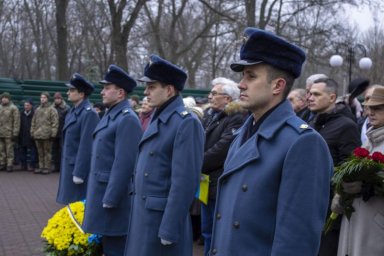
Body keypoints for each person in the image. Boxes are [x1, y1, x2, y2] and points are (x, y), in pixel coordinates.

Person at [209, 28, 333, 256]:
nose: (241, 84)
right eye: (242, 75)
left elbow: (296, 241)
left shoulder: (302, 143)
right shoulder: (245, 132)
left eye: (251, 76)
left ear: (277, 86)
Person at [124, 54, 205, 256]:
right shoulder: (159, 116)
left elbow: (184, 182)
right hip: (144, 214)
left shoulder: (186, 122)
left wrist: (169, 228)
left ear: (169, 90)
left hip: (160, 221)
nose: (146, 92)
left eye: (152, 87)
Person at [82, 65, 142, 256]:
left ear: (120, 93)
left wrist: (111, 198)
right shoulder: (112, 114)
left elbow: (124, 164)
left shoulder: (127, 119)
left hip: (113, 199)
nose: (102, 92)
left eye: (107, 88)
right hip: (102, 192)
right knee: (108, 247)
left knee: (116, 247)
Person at [307, 77, 361, 256]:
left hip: (329, 211)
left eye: (316, 94)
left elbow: (350, 168)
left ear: (332, 97)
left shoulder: (346, 126)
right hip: (307, 204)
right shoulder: (310, 124)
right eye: (309, 93)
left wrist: (337, 198)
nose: (310, 97)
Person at [335, 85, 384, 256]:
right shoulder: (370, 139)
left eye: (377, 108)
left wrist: (369, 186)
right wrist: (341, 192)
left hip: (375, 228)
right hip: (356, 223)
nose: (370, 112)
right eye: (369, 108)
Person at [200, 77, 245, 256]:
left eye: (214, 93)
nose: (210, 96)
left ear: (227, 98)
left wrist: (196, 162)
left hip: (218, 181)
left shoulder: (236, 118)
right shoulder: (211, 115)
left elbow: (221, 150)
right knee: (207, 229)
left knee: (216, 230)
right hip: (204, 179)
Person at [56, 74, 99, 205]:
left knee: (77, 207)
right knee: (70, 206)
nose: (68, 92)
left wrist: (79, 172)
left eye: (72, 90)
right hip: (69, 165)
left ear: (81, 94)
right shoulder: (73, 111)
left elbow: (86, 145)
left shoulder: (89, 113)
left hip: (77, 169)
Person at [31, 92, 59, 174]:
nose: (42, 99)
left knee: (47, 152)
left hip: (47, 135)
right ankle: (41, 166)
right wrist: (32, 132)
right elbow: (33, 121)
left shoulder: (52, 109)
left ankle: (47, 167)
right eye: (41, 97)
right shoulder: (37, 109)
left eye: (44, 97)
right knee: (40, 153)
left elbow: (55, 123)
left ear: (47, 99)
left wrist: (53, 134)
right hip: (38, 134)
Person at [0, 92, 20, 172]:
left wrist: (15, 133)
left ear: (8, 99)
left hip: (9, 133)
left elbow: (17, 121)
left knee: (9, 150)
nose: (3, 99)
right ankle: (2, 163)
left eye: (5, 98)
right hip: (0, 133)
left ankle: (9, 165)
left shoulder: (13, 108)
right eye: (2, 98)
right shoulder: (0, 107)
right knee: (1, 150)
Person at [52, 92, 70, 172]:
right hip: (54, 132)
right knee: (55, 150)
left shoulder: (67, 108)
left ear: (61, 99)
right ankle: (56, 167)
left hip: (62, 132)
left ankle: (63, 167)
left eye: (58, 98)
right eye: (55, 98)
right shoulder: (51, 108)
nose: (57, 100)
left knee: (62, 151)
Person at [19, 99, 37, 171]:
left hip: (31, 135)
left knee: (33, 151)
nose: (26, 107)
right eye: (25, 105)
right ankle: (23, 165)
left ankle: (32, 165)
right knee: (22, 151)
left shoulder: (34, 114)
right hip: (23, 135)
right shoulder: (21, 113)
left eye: (27, 105)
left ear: (31, 106)